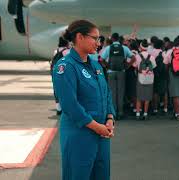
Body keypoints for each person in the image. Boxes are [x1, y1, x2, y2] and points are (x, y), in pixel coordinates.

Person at [52, 20, 115, 180]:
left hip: (101, 135)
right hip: (79, 135)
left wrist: (109, 118)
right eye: (95, 38)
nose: (98, 43)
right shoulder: (65, 66)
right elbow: (69, 105)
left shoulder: (96, 66)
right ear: (79, 37)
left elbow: (106, 93)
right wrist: (95, 126)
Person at [101, 32, 136, 119]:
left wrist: (106, 66)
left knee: (112, 93)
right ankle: (120, 112)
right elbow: (133, 58)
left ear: (112, 39)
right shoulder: (124, 48)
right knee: (120, 92)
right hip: (121, 72)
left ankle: (113, 113)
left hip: (111, 72)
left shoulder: (108, 48)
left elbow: (101, 59)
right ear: (119, 39)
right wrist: (127, 65)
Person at [134, 39, 157, 120]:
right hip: (150, 78)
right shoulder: (152, 57)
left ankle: (137, 113)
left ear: (140, 47)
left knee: (139, 96)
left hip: (140, 77)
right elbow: (154, 66)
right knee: (147, 96)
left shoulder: (137, 56)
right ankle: (145, 113)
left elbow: (135, 65)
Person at [51, 36, 70, 115]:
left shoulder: (56, 50)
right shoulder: (67, 51)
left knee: (56, 89)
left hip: (55, 72)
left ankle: (58, 108)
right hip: (64, 72)